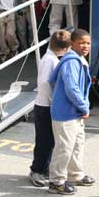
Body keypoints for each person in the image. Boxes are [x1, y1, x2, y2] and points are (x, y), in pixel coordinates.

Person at [47, 28, 94, 195]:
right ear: (72, 44)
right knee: (64, 147)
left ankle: (75, 174)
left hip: (74, 112)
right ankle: (57, 181)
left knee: (77, 145)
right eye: (81, 43)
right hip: (66, 113)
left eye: (88, 43)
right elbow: (72, 88)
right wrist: (84, 106)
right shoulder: (71, 62)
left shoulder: (78, 60)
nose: (85, 46)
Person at [29, 30, 72, 187]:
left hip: (45, 104)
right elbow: (46, 83)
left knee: (49, 140)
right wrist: (54, 100)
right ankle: (38, 170)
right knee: (44, 141)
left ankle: (44, 168)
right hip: (45, 105)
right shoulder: (50, 61)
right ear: (67, 48)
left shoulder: (51, 58)